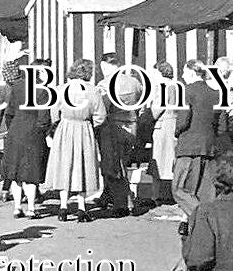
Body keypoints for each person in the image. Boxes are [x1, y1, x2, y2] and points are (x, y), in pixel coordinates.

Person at [47, 59, 106, 222]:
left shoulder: (62, 89)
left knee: (64, 166)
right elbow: (101, 116)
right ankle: (81, 207)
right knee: (82, 167)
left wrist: (58, 124)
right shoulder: (93, 91)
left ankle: (63, 206)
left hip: (65, 128)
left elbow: (54, 112)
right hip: (83, 128)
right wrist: (91, 126)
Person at [1, 57, 51, 219]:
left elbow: (9, 113)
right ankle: (30, 208)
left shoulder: (18, 86)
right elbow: (44, 119)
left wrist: (14, 129)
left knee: (16, 174)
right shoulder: (43, 91)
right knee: (31, 174)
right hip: (33, 135)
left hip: (15, 133)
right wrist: (44, 133)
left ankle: (16, 208)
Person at [95, 53, 143, 217]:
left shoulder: (104, 84)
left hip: (112, 127)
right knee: (123, 163)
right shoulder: (135, 82)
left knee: (112, 166)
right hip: (132, 126)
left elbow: (102, 109)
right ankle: (108, 195)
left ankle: (123, 202)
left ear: (104, 66)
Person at [173, 61, 222, 216]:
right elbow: (222, 125)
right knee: (203, 191)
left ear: (191, 73)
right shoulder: (216, 93)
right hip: (208, 146)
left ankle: (202, 215)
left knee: (180, 189)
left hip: (189, 145)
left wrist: (176, 132)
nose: (182, 76)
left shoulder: (186, 91)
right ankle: (197, 220)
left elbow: (183, 120)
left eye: (184, 72)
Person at [0, 56, 25, 202]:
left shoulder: (2, 91)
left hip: (6, 130)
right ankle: (31, 190)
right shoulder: (25, 88)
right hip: (23, 128)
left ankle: (5, 189)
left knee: (8, 161)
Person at [150, 61, 180, 206]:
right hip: (174, 123)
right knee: (171, 162)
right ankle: (173, 195)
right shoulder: (176, 86)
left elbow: (156, 110)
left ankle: (156, 196)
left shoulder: (161, 87)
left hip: (163, 126)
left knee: (158, 162)